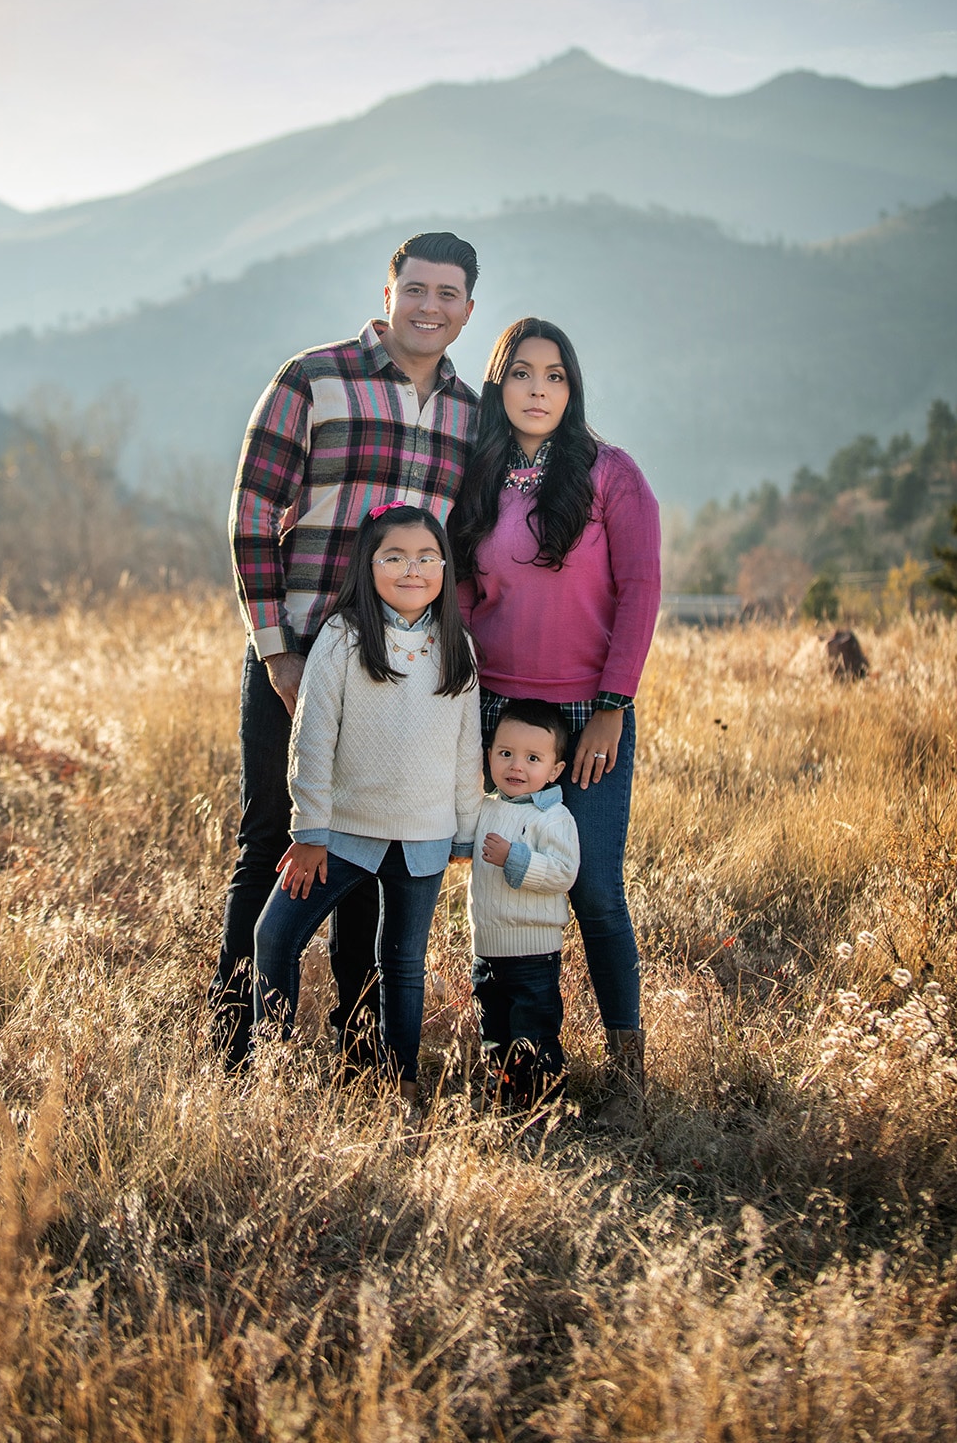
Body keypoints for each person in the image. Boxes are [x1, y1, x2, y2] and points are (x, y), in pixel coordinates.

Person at [214, 233, 481, 1066]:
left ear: (468, 309)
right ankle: (239, 1048)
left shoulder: (472, 415)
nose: (429, 307)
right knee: (277, 842)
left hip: (403, 675)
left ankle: (360, 1053)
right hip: (298, 659)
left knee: (382, 855)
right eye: (416, 289)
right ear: (390, 289)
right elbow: (252, 515)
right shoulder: (314, 379)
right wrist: (276, 652)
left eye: (448, 294)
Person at [450, 318, 661, 1127]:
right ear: (499, 385)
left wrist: (612, 707)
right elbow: (465, 598)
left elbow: (640, 590)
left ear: (572, 390)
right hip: (496, 711)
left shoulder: (612, 475)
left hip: (585, 713)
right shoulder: (479, 477)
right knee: (497, 875)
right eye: (523, 374)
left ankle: (629, 1071)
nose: (539, 389)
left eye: (556, 376)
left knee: (597, 889)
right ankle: (515, 1053)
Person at [253, 504, 482, 1104]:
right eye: (396, 557)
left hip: (425, 836)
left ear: (444, 566)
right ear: (369, 564)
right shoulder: (345, 636)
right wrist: (309, 832)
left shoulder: (458, 645)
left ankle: (399, 1084)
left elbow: (467, 751)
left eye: (428, 557)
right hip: (343, 834)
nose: (414, 569)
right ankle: (272, 1071)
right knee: (275, 936)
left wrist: (464, 833)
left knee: (402, 966)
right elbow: (312, 737)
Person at [457, 698, 580, 1109]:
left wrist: (516, 858)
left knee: (533, 1029)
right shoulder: (486, 809)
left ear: (555, 770)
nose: (517, 767)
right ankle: (504, 1096)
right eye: (505, 753)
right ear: (489, 754)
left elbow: (564, 872)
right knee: (494, 1028)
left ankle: (543, 1104)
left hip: (533, 952)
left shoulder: (554, 818)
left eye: (533, 758)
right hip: (487, 949)